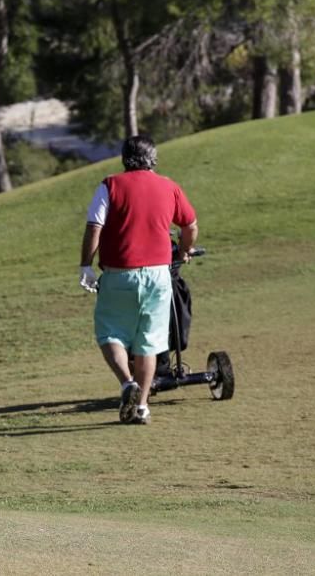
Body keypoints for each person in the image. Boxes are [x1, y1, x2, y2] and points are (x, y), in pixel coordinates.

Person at [79, 135, 198, 425]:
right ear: (153, 158)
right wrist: (183, 252)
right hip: (159, 275)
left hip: (119, 274)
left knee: (110, 333)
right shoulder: (169, 187)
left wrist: (86, 265)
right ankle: (142, 406)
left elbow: (95, 227)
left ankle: (126, 383)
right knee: (149, 342)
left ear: (124, 158)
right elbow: (190, 226)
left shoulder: (110, 185)